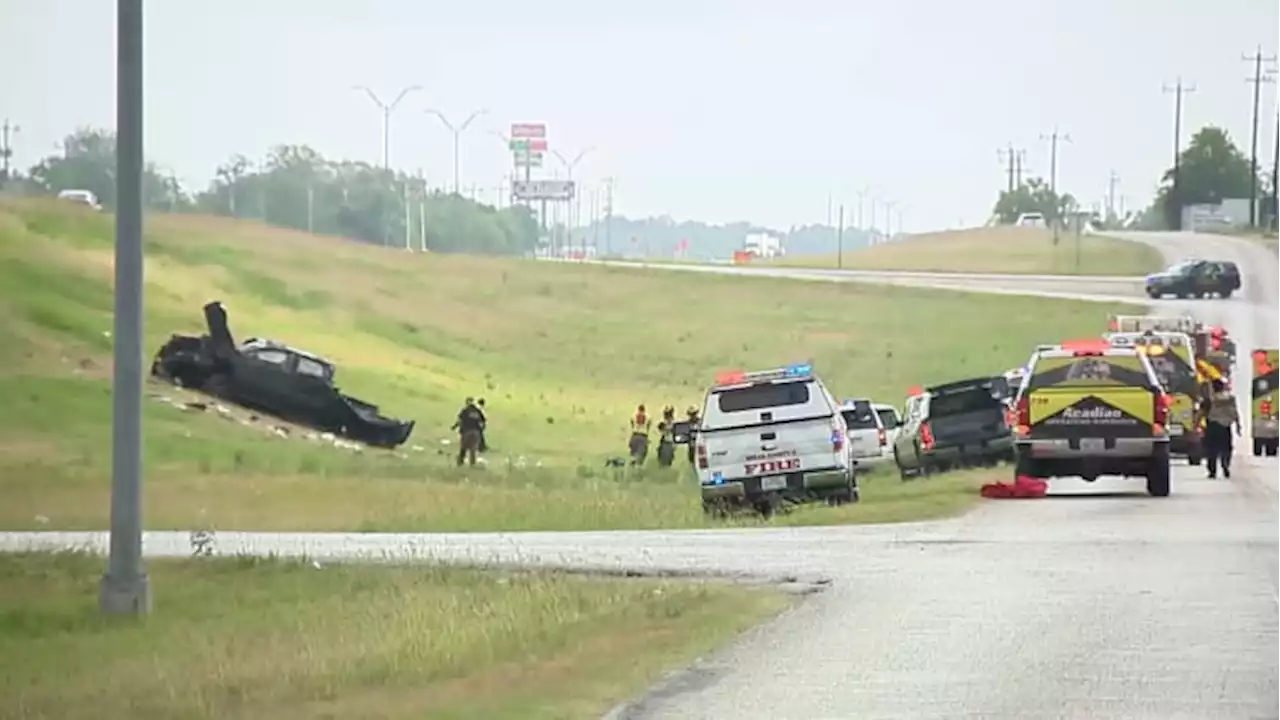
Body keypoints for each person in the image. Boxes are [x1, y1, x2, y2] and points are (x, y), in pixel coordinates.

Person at [1201, 378, 1242, 479]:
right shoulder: (1230, 398)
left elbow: (1201, 413)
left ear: (1213, 388)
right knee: (1226, 448)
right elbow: (1235, 413)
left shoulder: (1210, 400)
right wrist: (1238, 426)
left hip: (1212, 426)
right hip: (1225, 427)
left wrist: (1195, 425)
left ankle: (1212, 471)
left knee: (1211, 450)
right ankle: (1225, 464)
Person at [452, 397, 486, 467]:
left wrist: (454, 427)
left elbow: (460, 420)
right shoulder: (478, 411)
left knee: (463, 448)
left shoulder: (465, 410)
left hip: (466, 431)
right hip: (475, 433)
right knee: (473, 450)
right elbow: (483, 422)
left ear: (467, 402)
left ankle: (460, 463)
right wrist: (481, 431)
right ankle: (472, 464)